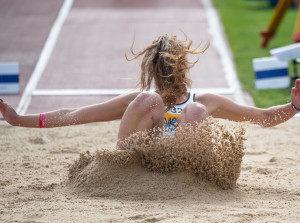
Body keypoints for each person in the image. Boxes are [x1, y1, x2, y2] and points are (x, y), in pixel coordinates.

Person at [0, 34, 300, 149]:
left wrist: (294, 106)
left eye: (172, 69)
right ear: (153, 72)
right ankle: (125, 169)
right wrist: (17, 119)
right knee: (147, 100)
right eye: (162, 70)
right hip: (138, 166)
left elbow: (263, 117)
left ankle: (188, 179)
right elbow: (73, 115)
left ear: (183, 70)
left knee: (196, 110)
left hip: (182, 170)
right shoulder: (141, 101)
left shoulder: (206, 102)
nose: (168, 76)